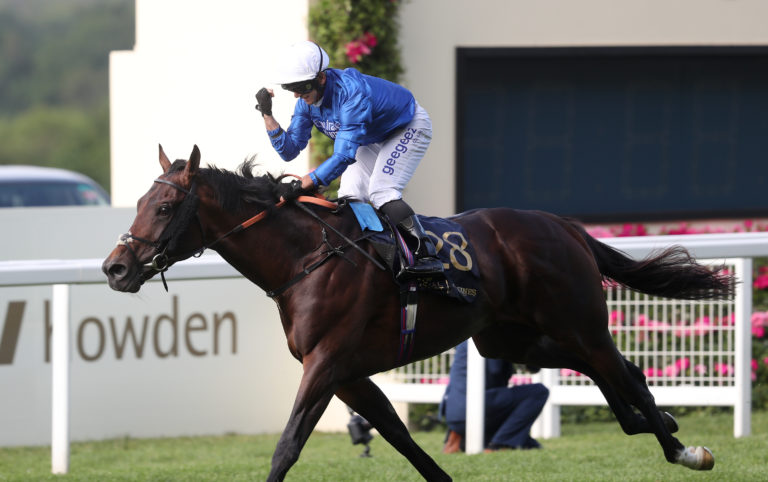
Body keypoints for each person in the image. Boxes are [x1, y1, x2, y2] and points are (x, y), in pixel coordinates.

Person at [254, 40, 443, 281]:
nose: (297, 95)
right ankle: (382, 256)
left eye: (301, 87)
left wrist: (305, 183)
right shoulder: (306, 103)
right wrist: (267, 114)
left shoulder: (351, 94)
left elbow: (344, 156)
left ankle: (426, 256)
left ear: (321, 78)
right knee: (350, 198)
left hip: (407, 126)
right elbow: (289, 151)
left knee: (382, 191)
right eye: (290, 88)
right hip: (372, 135)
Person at [439, 340, 549, 453]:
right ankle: (499, 445)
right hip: (476, 409)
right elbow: (495, 369)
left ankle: (457, 438)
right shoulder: (491, 337)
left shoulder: (465, 339)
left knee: (531, 445)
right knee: (539, 392)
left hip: (453, 413)